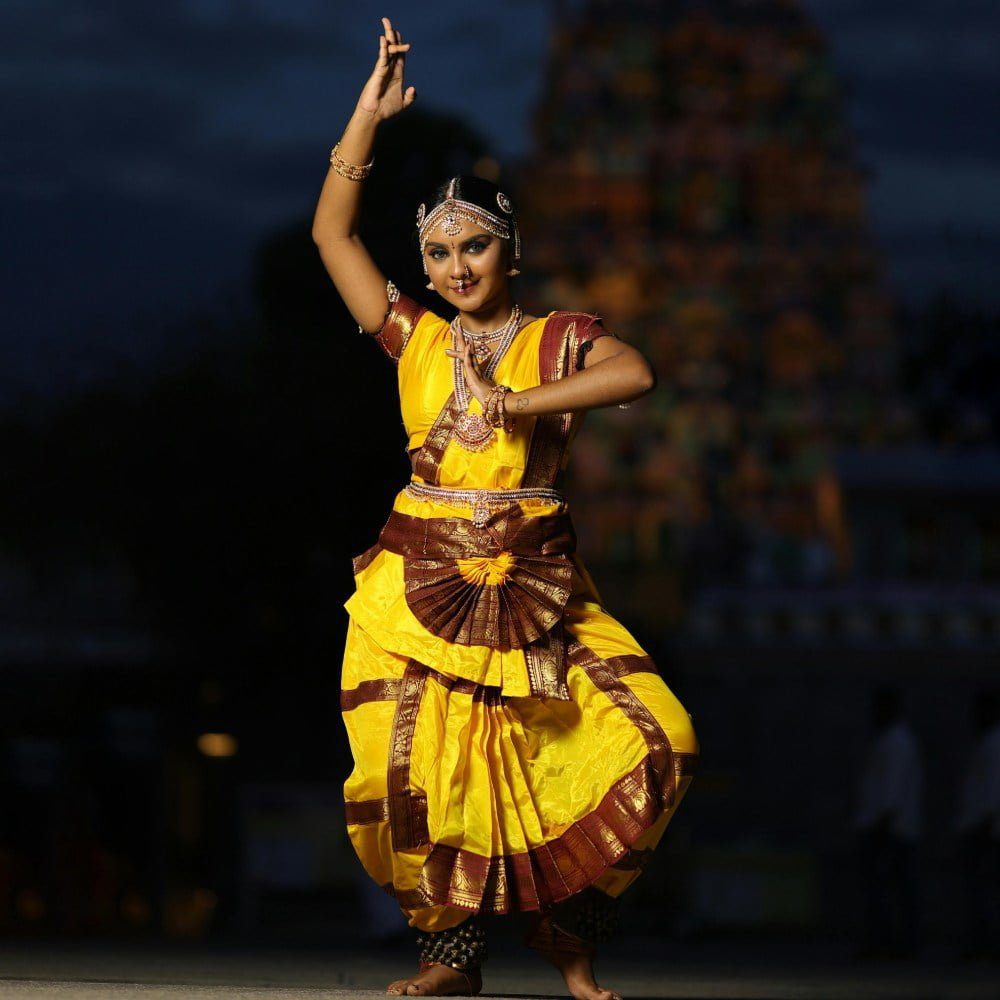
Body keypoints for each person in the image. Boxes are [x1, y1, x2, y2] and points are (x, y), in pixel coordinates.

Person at [312, 17, 700, 999]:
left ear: (510, 252)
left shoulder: (558, 338)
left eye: (475, 246)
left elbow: (636, 372)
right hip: (421, 587)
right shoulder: (415, 338)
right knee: (426, 773)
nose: (457, 266)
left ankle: (570, 938)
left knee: (656, 741)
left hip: (537, 592)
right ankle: (449, 957)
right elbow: (331, 234)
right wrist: (368, 117)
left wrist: (516, 403)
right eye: (439, 251)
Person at [852, 686, 923, 959]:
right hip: (887, 825)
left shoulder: (897, 741)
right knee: (891, 887)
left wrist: (882, 822)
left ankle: (892, 941)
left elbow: (892, 787)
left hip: (890, 827)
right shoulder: (890, 740)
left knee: (891, 888)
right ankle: (889, 940)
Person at [954, 688, 1000, 961]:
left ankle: (985, 944)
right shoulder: (986, 742)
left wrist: (985, 822)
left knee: (984, 890)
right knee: (981, 890)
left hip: (986, 828)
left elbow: (993, 789)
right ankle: (982, 942)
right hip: (982, 825)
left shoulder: (994, 744)